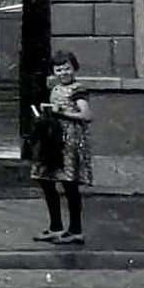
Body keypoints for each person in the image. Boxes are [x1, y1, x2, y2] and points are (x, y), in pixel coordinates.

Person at [31, 49, 92, 245]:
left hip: (70, 142)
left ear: (74, 68)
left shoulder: (78, 90)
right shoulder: (55, 89)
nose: (64, 73)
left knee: (69, 185)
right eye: (59, 69)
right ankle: (55, 226)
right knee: (46, 180)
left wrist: (63, 113)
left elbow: (86, 115)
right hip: (55, 141)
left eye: (67, 68)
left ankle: (75, 230)